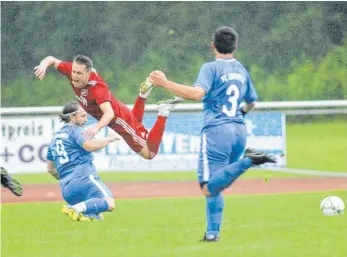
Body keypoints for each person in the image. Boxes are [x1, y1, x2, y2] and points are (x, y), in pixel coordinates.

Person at [149, 26, 276, 242]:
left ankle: (249, 161)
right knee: (217, 186)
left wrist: (165, 83)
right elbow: (252, 101)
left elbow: (198, 94)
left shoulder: (211, 68)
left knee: (208, 187)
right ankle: (212, 234)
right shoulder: (241, 70)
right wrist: (238, 116)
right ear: (235, 46)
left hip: (217, 132)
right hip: (238, 130)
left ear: (212, 45)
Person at [34, 54, 183, 160]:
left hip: (119, 120)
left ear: (88, 73)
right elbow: (51, 59)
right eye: (73, 71)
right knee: (137, 123)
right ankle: (143, 94)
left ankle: (163, 111)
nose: (74, 76)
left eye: (79, 73)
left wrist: (96, 128)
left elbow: (109, 113)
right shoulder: (71, 70)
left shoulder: (97, 88)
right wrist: (43, 66)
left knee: (150, 154)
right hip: (120, 110)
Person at [47, 102, 119, 221]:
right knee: (109, 203)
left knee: (97, 216)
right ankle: (74, 209)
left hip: (66, 189)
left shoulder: (55, 139)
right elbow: (89, 146)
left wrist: (68, 178)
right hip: (84, 178)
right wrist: (109, 139)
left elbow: (50, 169)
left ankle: (82, 213)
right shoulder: (75, 130)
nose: (86, 120)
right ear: (72, 117)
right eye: (83, 116)